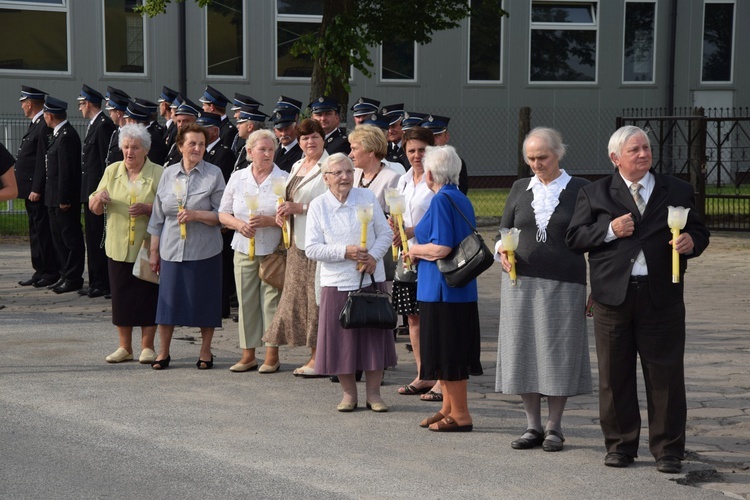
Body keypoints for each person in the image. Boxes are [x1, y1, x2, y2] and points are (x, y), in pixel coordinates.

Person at [566, 125, 710, 472]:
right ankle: (620, 446)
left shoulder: (677, 189)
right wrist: (610, 230)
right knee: (614, 376)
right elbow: (574, 237)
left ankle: (669, 450)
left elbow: (700, 230)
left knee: (666, 376)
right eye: (635, 150)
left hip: (662, 296)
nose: (644, 154)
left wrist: (692, 242)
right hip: (613, 297)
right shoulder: (596, 192)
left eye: (646, 148)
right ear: (615, 158)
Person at [494, 127, 592, 452]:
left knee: (558, 352)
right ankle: (532, 425)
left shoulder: (581, 189)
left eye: (543, 157)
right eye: (531, 158)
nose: (537, 163)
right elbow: (504, 229)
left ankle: (555, 427)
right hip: (520, 283)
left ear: (558, 153)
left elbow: (594, 238)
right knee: (524, 349)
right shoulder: (520, 187)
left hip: (566, 283)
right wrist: (502, 252)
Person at [306, 153, 397, 412]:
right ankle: (349, 395)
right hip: (336, 283)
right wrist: (344, 251)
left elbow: (386, 233)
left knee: (373, 339)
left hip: (369, 278)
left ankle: (374, 395)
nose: (345, 177)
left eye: (348, 171)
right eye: (338, 173)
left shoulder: (365, 198)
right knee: (341, 341)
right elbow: (312, 248)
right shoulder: (318, 205)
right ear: (326, 178)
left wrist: (373, 257)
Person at [406, 145, 483, 432]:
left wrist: (414, 251)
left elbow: (441, 247)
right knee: (443, 350)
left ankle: (461, 413)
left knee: (448, 351)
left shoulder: (440, 200)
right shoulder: (457, 196)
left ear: (428, 174)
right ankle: (448, 407)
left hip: (443, 289)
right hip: (452, 288)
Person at [147, 123, 226, 370]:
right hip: (171, 249)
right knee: (168, 303)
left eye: (201, 144)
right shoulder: (168, 174)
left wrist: (195, 214)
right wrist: (153, 252)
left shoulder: (214, 174)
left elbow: (221, 215)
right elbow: (158, 216)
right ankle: (163, 352)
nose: (197, 148)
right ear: (180, 146)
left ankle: (205, 351)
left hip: (204, 250)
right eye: (192, 143)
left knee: (205, 302)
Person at [88, 124, 163, 364]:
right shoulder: (112, 171)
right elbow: (93, 207)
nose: (129, 152)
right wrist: (99, 199)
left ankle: (147, 347)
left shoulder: (159, 173)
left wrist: (148, 208)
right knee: (121, 297)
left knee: (147, 295)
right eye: (126, 147)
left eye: (135, 148)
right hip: (118, 245)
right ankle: (124, 347)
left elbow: (168, 208)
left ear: (146, 149)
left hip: (147, 246)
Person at [262, 119, 328, 375]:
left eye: (314, 137)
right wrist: (283, 214)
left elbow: (334, 204)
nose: (309, 142)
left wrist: (298, 209)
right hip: (294, 242)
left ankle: (317, 358)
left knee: (315, 302)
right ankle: (313, 354)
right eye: (304, 138)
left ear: (323, 139)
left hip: (317, 243)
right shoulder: (298, 164)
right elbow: (289, 199)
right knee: (298, 301)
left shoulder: (330, 165)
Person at [219, 130, 287, 372]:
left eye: (271, 149)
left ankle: (272, 355)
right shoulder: (238, 178)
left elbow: (290, 217)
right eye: (262, 149)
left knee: (271, 302)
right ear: (249, 152)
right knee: (246, 301)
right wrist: (239, 225)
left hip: (272, 250)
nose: (267, 154)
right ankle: (248, 354)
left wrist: (270, 221)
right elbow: (223, 213)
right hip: (242, 247)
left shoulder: (284, 178)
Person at [393, 127, 437, 398]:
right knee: (413, 317)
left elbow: (442, 217)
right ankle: (423, 374)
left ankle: (441, 377)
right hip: (406, 256)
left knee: (433, 317)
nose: (417, 155)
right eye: (411, 150)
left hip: (430, 256)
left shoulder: (440, 176)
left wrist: (410, 231)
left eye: (422, 150)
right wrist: (395, 226)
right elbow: (399, 214)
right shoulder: (404, 180)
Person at [15, 86, 58, 288]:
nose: (22, 106)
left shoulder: (42, 125)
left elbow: (42, 160)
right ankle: (40, 269)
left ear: (30, 103)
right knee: (35, 231)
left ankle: (49, 270)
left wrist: (37, 188)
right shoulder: (36, 124)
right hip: (28, 188)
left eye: (23, 102)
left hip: (35, 189)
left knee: (42, 231)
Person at [78, 84, 117, 298]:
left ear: (89, 103)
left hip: (98, 192)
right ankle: (95, 281)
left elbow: (105, 163)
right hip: (90, 191)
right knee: (91, 238)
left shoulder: (103, 125)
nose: (79, 108)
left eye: (81, 104)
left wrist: (102, 191)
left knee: (97, 239)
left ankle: (101, 282)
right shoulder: (95, 124)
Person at [43, 96, 85, 294]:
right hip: (53, 197)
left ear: (49, 115)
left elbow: (67, 170)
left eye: (44, 114)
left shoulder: (67, 135)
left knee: (70, 239)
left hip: (63, 199)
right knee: (59, 239)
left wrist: (64, 198)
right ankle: (64, 274)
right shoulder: (59, 134)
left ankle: (73, 277)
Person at [348, 125, 400, 209]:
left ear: (371, 151)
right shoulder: (354, 173)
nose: (350, 155)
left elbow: (394, 216)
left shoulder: (391, 178)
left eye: (354, 149)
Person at [421, 115, 469, 195]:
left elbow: (460, 193)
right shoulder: (417, 162)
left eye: (437, 136)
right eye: (429, 137)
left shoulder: (455, 163)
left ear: (447, 137)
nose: (433, 141)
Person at [199, 85, 237, 149]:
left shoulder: (229, 131)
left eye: (204, 105)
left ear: (212, 107)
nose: (203, 108)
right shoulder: (212, 126)